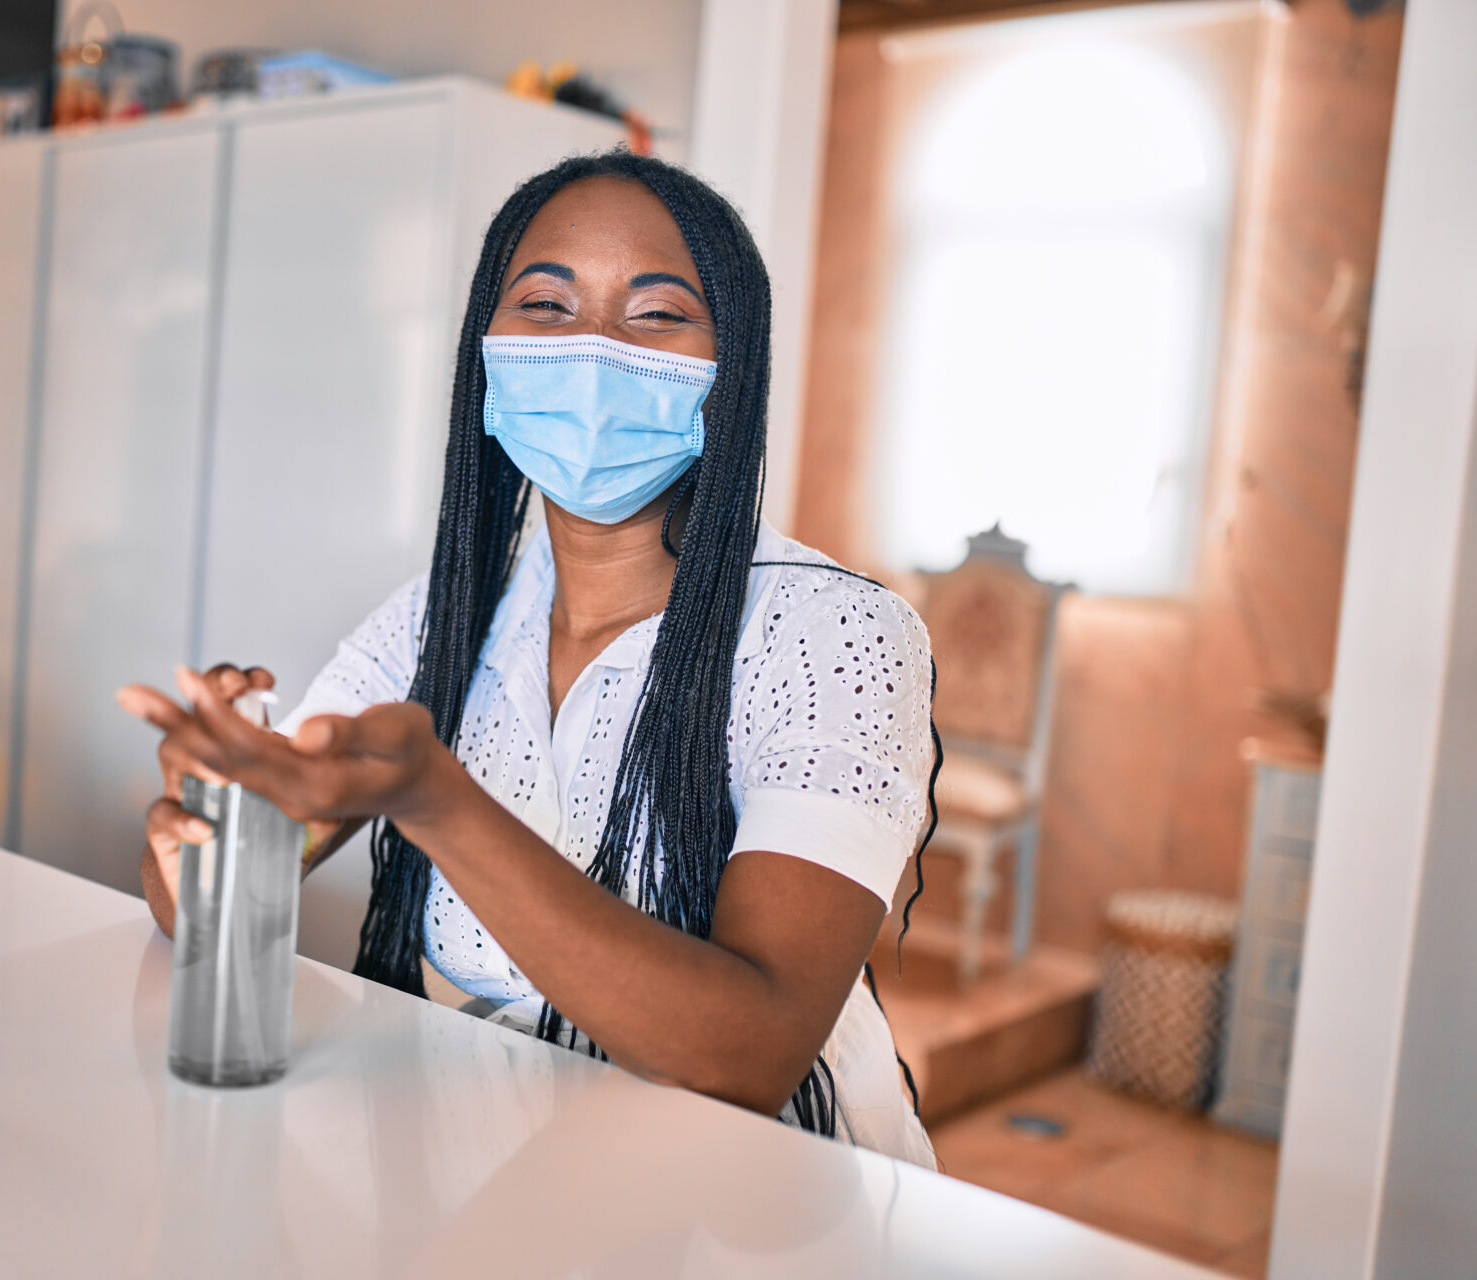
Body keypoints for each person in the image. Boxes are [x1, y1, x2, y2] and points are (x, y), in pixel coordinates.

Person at [117, 150, 940, 1167]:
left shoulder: (836, 633)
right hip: (518, 1168)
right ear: (487, 351)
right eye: (546, 306)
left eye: (656, 315)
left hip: (774, 1198)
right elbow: (201, 901)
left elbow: (749, 1055)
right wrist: (214, 817)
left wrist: (437, 798)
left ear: (731, 369)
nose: (591, 349)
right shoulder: (439, 616)